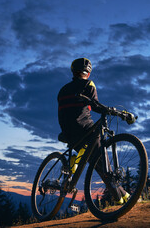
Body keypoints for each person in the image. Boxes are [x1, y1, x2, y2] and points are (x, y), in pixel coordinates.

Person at [57, 58, 129, 204]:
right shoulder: (88, 84)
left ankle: (123, 195)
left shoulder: (63, 89)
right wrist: (117, 112)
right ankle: (121, 197)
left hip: (67, 131)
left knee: (96, 159)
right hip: (84, 128)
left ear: (73, 71)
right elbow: (95, 105)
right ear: (88, 73)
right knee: (101, 162)